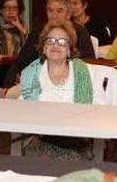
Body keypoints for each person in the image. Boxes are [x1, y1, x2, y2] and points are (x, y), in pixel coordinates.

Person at [20, 20, 106, 161]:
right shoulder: (31, 74)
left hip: (77, 141)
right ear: (43, 48)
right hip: (41, 140)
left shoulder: (86, 72)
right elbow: (23, 109)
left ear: (69, 50)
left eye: (62, 42)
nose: (56, 45)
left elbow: (100, 106)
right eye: (50, 41)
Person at [0, 0, 95, 91]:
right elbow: (21, 62)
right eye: (50, 11)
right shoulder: (39, 32)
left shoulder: (80, 32)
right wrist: (7, 86)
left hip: (70, 84)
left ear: (69, 14)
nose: (54, 15)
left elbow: (89, 62)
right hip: (35, 84)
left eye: (60, 11)